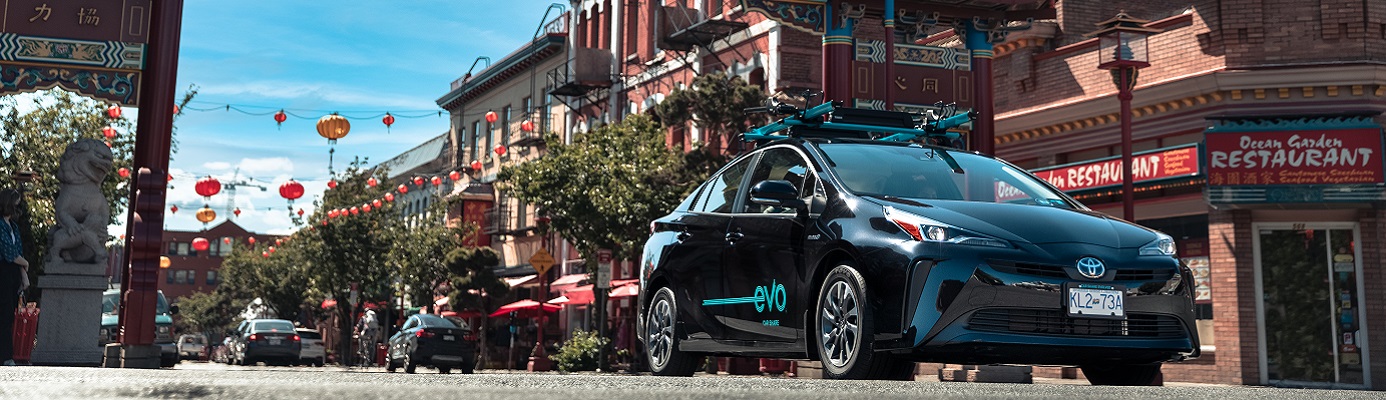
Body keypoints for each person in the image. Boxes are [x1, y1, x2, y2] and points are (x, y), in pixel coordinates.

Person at [0, 189, 30, 366]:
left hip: (12, 272)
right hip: (3, 270)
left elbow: (17, 251)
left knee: (8, 314)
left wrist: (24, 274)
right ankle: (5, 355)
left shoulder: (14, 227)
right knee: (3, 313)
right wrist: (24, 263)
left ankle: (6, 354)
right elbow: (9, 252)